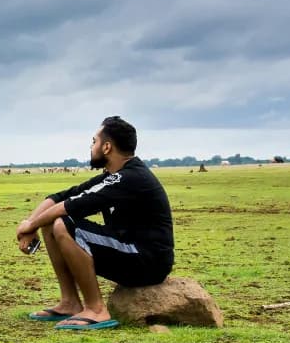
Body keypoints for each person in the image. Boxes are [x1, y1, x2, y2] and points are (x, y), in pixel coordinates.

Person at [15, 116, 173, 331]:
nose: (91, 147)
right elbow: (61, 196)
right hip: (129, 251)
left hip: (148, 261)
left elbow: (69, 206)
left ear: (106, 147)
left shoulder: (129, 177)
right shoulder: (113, 176)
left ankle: (97, 310)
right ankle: (69, 303)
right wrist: (31, 222)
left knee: (63, 224)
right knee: (51, 224)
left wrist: (29, 226)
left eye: (94, 141)